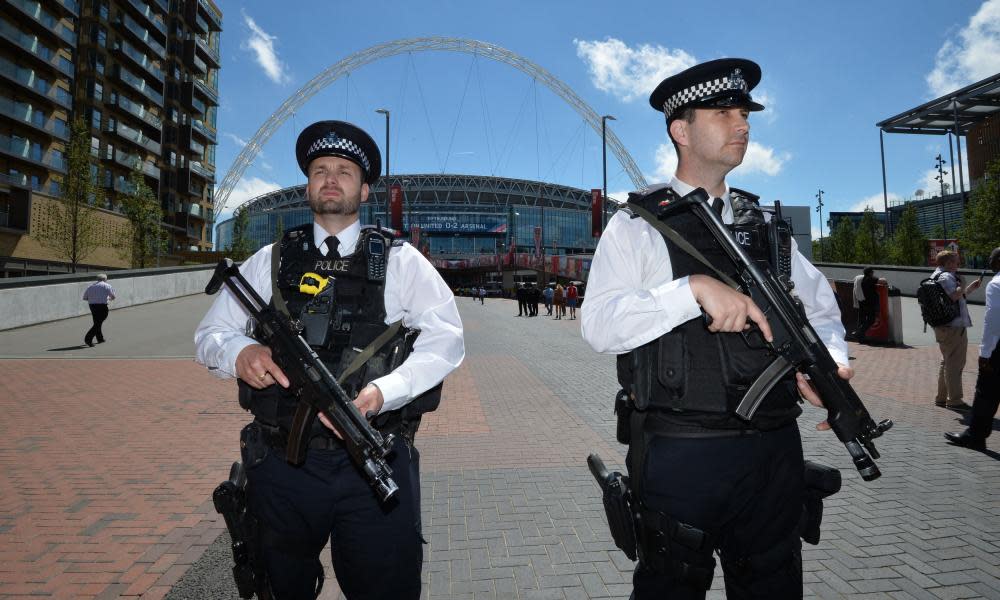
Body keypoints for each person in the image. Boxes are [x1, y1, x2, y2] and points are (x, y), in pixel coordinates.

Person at [581, 58, 850, 599]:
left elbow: (821, 308)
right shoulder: (638, 224)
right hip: (684, 453)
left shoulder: (768, 228)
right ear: (681, 131)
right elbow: (599, 325)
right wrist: (689, 291)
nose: (742, 124)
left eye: (745, 113)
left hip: (774, 449)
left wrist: (831, 362)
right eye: (724, 112)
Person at [194, 120, 465, 600]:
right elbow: (210, 334)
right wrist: (240, 352)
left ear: (364, 191)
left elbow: (447, 339)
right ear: (307, 186)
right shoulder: (271, 259)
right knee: (278, 586)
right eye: (321, 170)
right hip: (281, 465)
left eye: (344, 170)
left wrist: (386, 391)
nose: (331, 178)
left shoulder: (400, 259)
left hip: (373, 457)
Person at [945, 246, 1000, 450]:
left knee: (986, 392)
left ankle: (976, 436)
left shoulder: (996, 284)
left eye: (992, 258)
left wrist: (985, 354)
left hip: (998, 350)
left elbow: (993, 322)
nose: (989, 261)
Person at [930, 250, 981, 410]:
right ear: (948, 263)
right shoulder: (947, 276)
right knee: (955, 364)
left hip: (942, 325)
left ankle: (941, 397)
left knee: (947, 360)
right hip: (953, 326)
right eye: (956, 261)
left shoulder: (936, 276)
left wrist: (969, 289)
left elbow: (953, 297)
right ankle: (955, 400)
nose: (958, 264)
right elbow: (954, 296)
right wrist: (964, 283)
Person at [83, 273, 115, 347]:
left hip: (92, 306)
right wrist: (108, 299)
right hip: (102, 306)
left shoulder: (90, 286)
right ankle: (88, 338)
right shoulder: (107, 285)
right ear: (105, 279)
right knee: (98, 323)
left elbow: (85, 298)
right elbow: (113, 297)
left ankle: (100, 338)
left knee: (97, 322)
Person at [852, 267, 879, 343]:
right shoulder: (871, 279)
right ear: (870, 273)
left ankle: (861, 339)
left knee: (862, 320)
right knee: (871, 320)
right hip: (869, 303)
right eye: (872, 272)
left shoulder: (860, 280)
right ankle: (859, 333)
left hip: (861, 302)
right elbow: (882, 281)